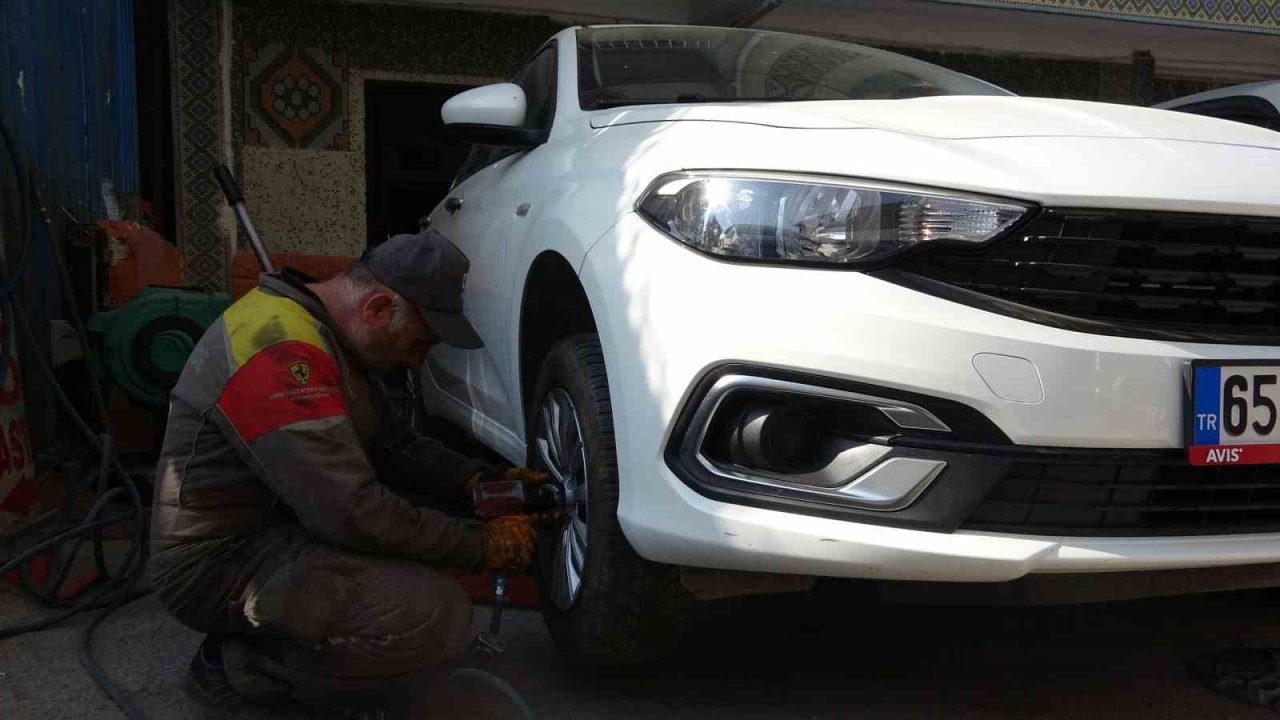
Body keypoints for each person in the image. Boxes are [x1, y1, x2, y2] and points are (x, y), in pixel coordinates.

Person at [149, 229, 549, 714]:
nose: (418, 360)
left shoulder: (329, 335)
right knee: (432, 616)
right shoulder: (281, 351)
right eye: (421, 342)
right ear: (378, 309)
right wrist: (480, 545)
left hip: (276, 530)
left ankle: (288, 646)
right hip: (217, 564)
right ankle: (237, 668)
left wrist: (477, 481)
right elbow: (350, 511)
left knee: (413, 563)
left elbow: (394, 445)